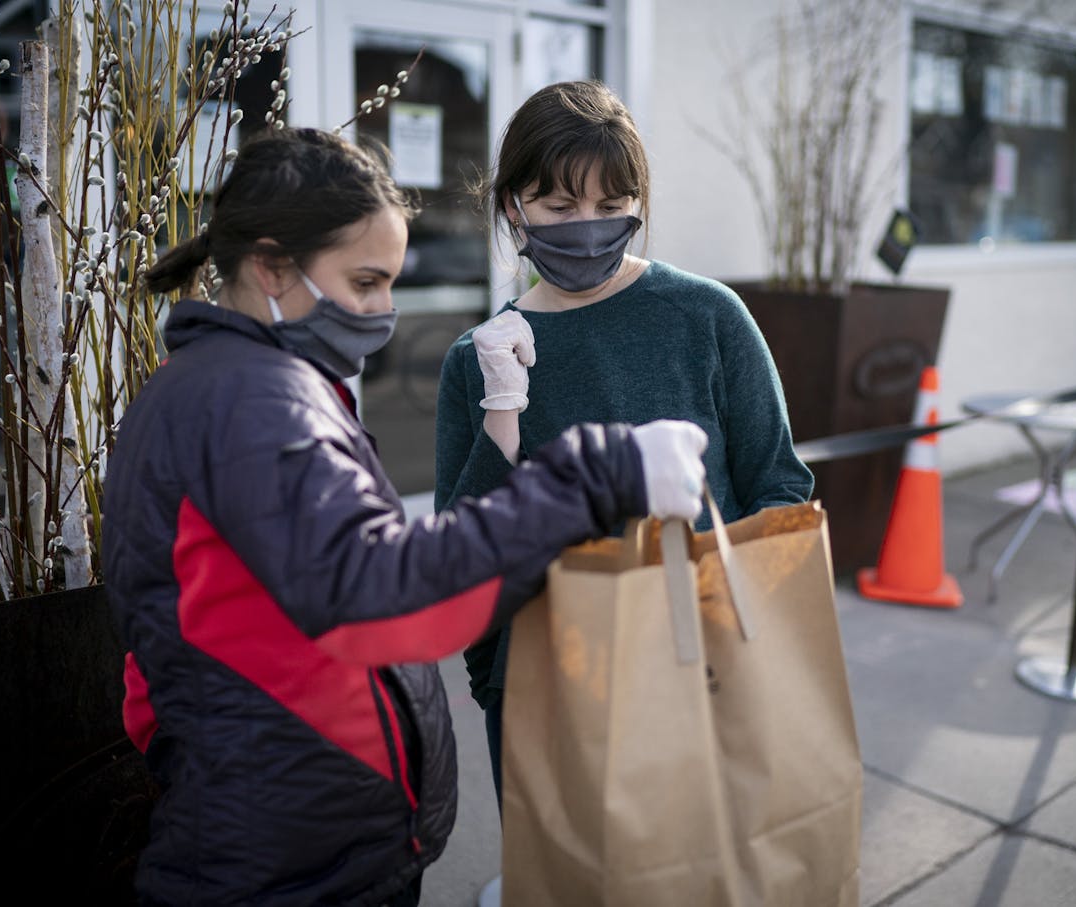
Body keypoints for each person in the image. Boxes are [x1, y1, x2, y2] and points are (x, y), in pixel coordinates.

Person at [101, 127, 710, 907]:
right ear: (271, 265)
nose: (385, 310)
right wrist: (600, 472)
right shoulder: (253, 404)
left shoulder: (222, 385)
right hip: (290, 860)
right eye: (363, 281)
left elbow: (164, 656)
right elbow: (388, 592)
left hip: (275, 821)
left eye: (391, 280)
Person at [434, 80, 815, 810]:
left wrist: (737, 627)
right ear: (513, 205)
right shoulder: (476, 361)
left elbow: (780, 487)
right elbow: (461, 560)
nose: (588, 226)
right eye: (560, 205)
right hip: (547, 684)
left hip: (701, 661)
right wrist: (502, 411)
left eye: (611, 207)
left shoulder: (707, 316)